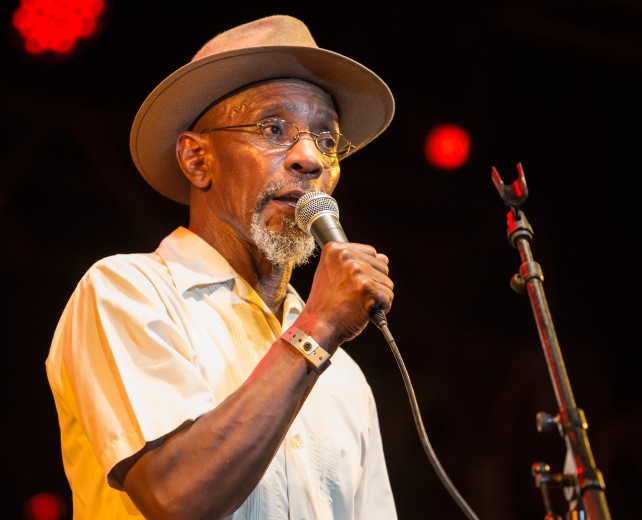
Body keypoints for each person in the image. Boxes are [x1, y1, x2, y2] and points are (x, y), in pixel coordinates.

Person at [45, 14, 398, 520]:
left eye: (325, 140)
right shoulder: (126, 291)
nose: (310, 159)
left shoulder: (345, 376)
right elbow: (176, 497)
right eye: (274, 128)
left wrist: (320, 335)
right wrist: (318, 328)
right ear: (197, 159)